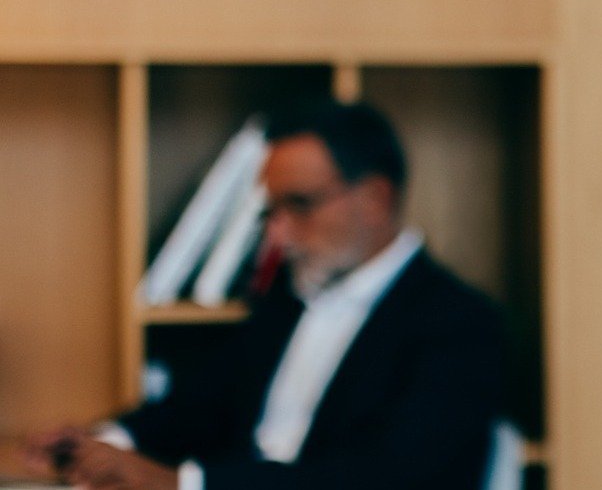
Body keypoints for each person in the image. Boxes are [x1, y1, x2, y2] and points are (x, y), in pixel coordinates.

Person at [20, 100, 504, 490]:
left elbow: (394, 476)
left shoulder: (458, 324)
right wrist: (100, 442)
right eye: (271, 211)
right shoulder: (287, 296)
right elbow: (208, 402)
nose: (278, 233)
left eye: (299, 204)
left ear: (375, 198)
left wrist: (184, 482)